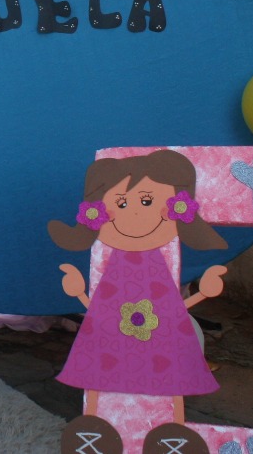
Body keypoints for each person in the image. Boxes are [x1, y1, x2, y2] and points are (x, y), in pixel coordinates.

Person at [48, 149, 228, 454]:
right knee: (99, 374)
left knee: (168, 379)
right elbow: (101, 307)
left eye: (147, 201)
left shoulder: (160, 264)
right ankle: (95, 425)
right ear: (100, 212)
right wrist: (78, 290)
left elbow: (171, 309)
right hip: (109, 339)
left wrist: (204, 292)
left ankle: (171, 431)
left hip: (159, 342)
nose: (134, 213)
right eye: (121, 203)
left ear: (175, 208)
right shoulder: (111, 264)